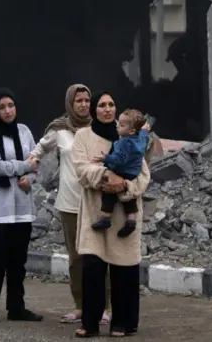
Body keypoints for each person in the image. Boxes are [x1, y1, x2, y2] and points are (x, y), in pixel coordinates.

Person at [28, 84, 113, 326]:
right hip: (70, 203)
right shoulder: (60, 130)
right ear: (70, 104)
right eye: (79, 101)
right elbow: (41, 147)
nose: (84, 105)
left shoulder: (101, 127)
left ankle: (105, 307)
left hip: (97, 200)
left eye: (87, 100)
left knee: (100, 256)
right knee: (76, 259)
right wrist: (33, 159)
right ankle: (79, 306)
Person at [71, 91, 150, 338]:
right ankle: (90, 323)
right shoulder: (83, 136)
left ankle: (123, 323)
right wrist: (107, 176)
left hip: (123, 216)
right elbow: (82, 169)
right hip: (96, 214)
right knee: (93, 269)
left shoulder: (129, 135)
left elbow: (143, 174)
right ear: (95, 109)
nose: (107, 109)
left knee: (124, 270)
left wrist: (125, 187)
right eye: (102, 105)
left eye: (112, 104)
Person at [0, 87, 43, 324]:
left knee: (18, 263)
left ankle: (16, 308)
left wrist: (31, 177)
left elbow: (37, 163)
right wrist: (26, 167)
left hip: (22, 208)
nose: (7, 111)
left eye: (11, 105)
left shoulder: (24, 131)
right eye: (2, 107)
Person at [91, 108, 149, 238]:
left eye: (122, 125)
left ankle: (105, 217)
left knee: (109, 190)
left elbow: (119, 159)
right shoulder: (141, 137)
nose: (117, 126)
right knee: (129, 197)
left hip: (122, 170)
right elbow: (145, 133)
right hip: (134, 172)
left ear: (132, 131)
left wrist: (105, 158)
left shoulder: (124, 142)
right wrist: (145, 129)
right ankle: (131, 220)